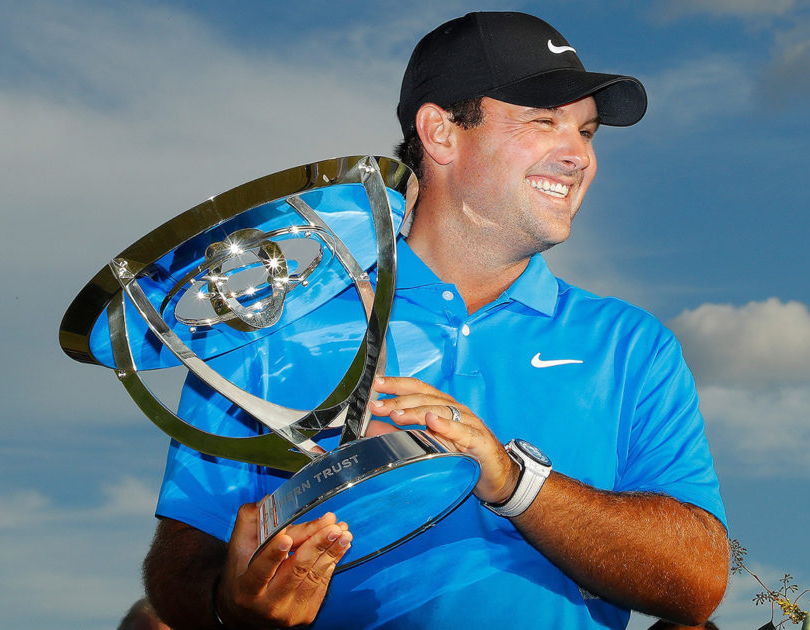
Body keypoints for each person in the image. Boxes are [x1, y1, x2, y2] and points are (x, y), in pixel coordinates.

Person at [143, 11, 729, 629]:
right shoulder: (276, 327)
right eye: (543, 122)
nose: (578, 155)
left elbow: (698, 582)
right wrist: (231, 607)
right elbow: (182, 565)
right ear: (440, 132)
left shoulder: (631, 345)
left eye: (586, 132)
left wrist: (512, 480)